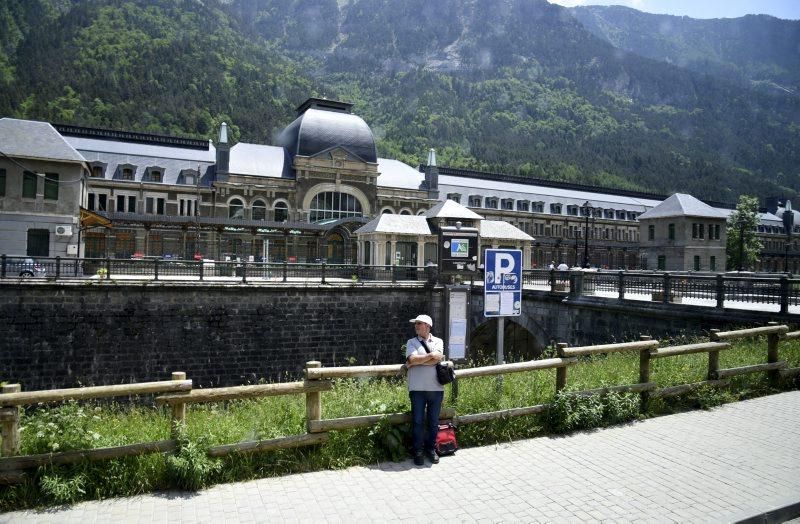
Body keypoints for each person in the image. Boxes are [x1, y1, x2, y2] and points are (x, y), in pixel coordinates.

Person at [405, 314, 444, 466]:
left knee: (433, 422)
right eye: (415, 324)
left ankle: (431, 449)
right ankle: (418, 451)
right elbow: (411, 360)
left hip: (436, 389)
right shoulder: (411, 342)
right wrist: (430, 357)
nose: (416, 326)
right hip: (417, 389)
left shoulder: (438, 341)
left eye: (419, 323)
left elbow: (438, 358)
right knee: (418, 421)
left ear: (428, 326)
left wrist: (419, 361)